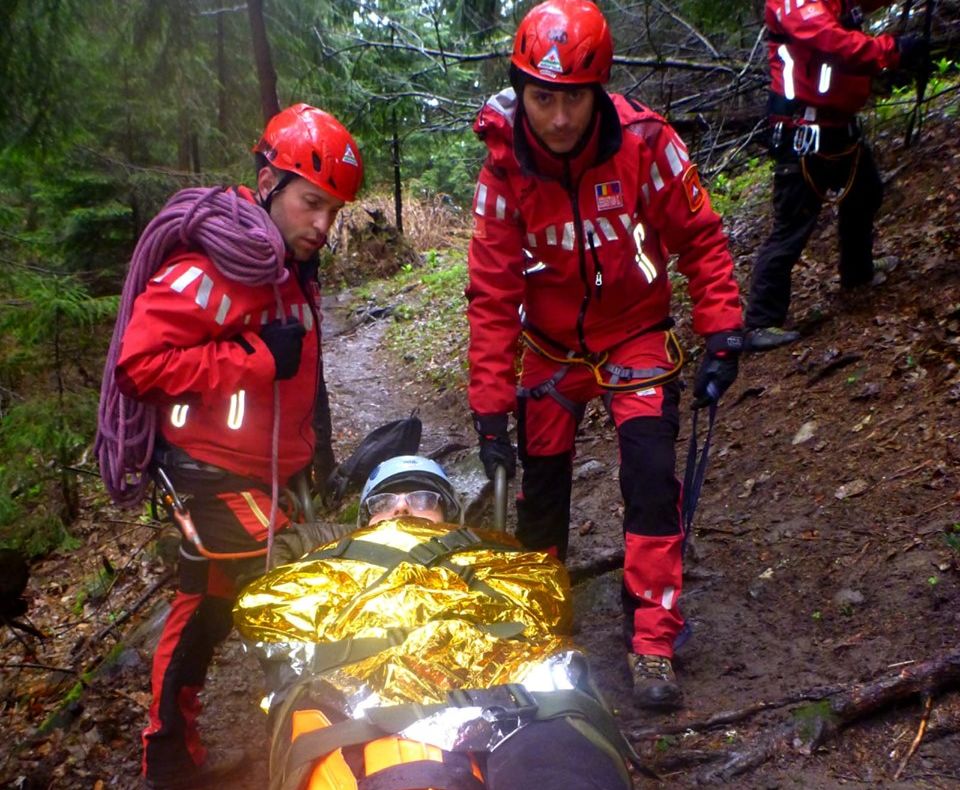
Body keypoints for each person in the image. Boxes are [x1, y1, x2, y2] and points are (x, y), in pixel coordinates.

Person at [465, 0, 744, 711]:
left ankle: (652, 638)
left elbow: (700, 237)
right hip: (549, 349)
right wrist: (489, 410)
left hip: (635, 333)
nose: (560, 118)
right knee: (541, 493)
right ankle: (540, 626)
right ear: (521, 92)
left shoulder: (646, 143)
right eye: (543, 99)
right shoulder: (503, 169)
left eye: (575, 98)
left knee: (650, 478)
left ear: (599, 91)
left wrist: (722, 329)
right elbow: (492, 294)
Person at [99, 103, 363, 789]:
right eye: (311, 203)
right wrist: (253, 358)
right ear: (269, 182)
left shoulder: (291, 265)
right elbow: (138, 364)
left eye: (333, 211)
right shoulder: (217, 265)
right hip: (215, 476)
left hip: (260, 472)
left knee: (205, 611)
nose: (322, 225)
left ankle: (170, 758)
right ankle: (325, 762)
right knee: (290, 604)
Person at [235, 455, 642, 789]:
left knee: (563, 772)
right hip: (372, 695)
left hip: (511, 684)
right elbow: (270, 615)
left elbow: (544, 600)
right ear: (365, 523)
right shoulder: (329, 562)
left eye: (422, 498)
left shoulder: (490, 554)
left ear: (449, 515)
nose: (401, 508)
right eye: (383, 502)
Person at [744, 0, 926, 350]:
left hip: (838, 125)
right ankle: (760, 322)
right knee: (793, 224)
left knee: (865, 191)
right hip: (802, 131)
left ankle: (858, 273)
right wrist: (892, 51)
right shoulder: (794, 3)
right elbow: (832, 42)